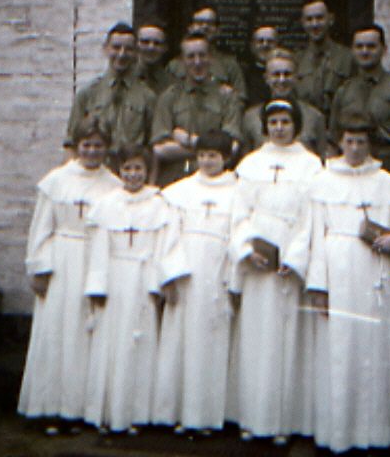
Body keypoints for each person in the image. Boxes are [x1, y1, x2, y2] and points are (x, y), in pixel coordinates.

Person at [307, 115, 390, 453]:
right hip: (338, 273)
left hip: (374, 273)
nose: (354, 148)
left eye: (361, 142)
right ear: (340, 143)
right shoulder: (322, 181)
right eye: (349, 141)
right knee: (340, 350)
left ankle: (377, 432)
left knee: (376, 349)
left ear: (370, 145)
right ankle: (339, 433)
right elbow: (315, 237)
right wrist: (319, 286)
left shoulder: (385, 183)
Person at [18, 119, 121, 432]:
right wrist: (38, 266)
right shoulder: (56, 180)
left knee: (87, 335)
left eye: (98, 145)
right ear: (76, 147)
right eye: (86, 145)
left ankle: (79, 410)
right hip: (62, 261)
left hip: (96, 261)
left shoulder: (114, 184)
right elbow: (41, 228)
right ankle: (50, 407)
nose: (92, 151)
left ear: (107, 148)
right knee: (57, 334)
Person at [230, 99, 322, 445]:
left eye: (285, 121)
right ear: (265, 126)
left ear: (296, 125)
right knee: (256, 339)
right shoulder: (250, 164)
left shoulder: (311, 165)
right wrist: (246, 249)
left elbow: (310, 218)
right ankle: (253, 418)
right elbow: (237, 213)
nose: (279, 127)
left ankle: (285, 420)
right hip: (258, 259)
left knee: (287, 339)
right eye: (273, 122)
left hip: (287, 264)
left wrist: (294, 258)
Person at [83, 145, 179, 435]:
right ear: (120, 170)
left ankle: (136, 413)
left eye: (138, 169)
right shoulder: (107, 203)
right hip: (114, 277)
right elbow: (98, 248)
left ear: (148, 172)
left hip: (142, 278)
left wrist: (156, 284)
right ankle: (108, 411)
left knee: (140, 342)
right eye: (127, 168)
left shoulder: (159, 205)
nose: (132, 174)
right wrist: (98, 285)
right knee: (110, 344)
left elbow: (164, 248)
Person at [153, 130, 237, 435]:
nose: (207, 161)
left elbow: (238, 236)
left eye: (214, 156)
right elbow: (169, 236)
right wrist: (171, 276)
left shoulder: (238, 192)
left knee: (211, 344)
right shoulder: (178, 192)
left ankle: (205, 416)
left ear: (226, 158)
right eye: (202, 155)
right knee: (180, 342)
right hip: (186, 275)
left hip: (216, 276)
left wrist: (232, 278)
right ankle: (173, 412)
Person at [328, 23, 390, 212]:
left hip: (388, 166)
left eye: (371, 46)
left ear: (384, 49)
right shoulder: (344, 91)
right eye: (359, 46)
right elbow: (333, 141)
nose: (365, 51)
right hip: (353, 168)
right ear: (353, 50)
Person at [151, 32, 242, 186]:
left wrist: (189, 141)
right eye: (191, 57)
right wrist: (213, 151)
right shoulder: (169, 97)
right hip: (176, 180)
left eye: (202, 55)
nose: (197, 62)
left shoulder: (226, 96)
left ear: (211, 58)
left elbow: (232, 147)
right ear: (182, 61)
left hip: (216, 181)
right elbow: (160, 149)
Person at [64, 22, 156, 159]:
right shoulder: (88, 94)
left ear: (136, 53)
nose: (122, 54)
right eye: (116, 47)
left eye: (129, 49)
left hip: (130, 173)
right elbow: (71, 144)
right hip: (96, 172)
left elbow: (153, 148)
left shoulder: (147, 96)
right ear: (105, 49)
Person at [242, 48, 326, 157]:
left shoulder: (314, 116)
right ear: (266, 78)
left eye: (287, 74)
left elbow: (322, 160)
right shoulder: (251, 117)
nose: (282, 80)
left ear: (296, 77)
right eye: (276, 74)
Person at [166, 8, 247, 101]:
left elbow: (241, 100)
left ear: (218, 30)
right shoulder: (174, 66)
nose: (205, 26)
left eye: (210, 23)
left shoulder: (230, 65)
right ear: (190, 28)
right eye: (199, 22)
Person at [295, 0, 355, 119]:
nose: (315, 24)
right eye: (309, 19)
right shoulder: (296, 60)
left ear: (330, 19)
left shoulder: (348, 58)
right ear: (303, 23)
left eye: (319, 18)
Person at [242, 25, 279, 107]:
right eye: (260, 41)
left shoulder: (286, 73)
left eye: (270, 41)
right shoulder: (244, 74)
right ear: (252, 46)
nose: (265, 45)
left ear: (277, 45)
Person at [135, 21, 173, 95]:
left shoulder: (174, 86)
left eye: (157, 43)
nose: (151, 48)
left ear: (165, 48)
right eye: (145, 42)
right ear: (135, 45)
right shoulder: (123, 81)